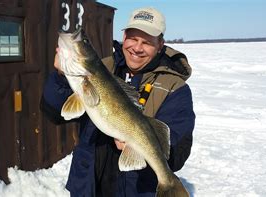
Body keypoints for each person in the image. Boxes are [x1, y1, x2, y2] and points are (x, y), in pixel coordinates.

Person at [40, 7, 195, 197]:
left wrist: (142, 149)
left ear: (160, 44)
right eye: (132, 38)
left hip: (136, 190)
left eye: (146, 42)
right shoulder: (103, 68)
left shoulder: (174, 88)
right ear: (124, 36)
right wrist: (61, 77)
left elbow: (178, 151)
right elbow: (55, 113)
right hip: (88, 188)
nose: (137, 48)